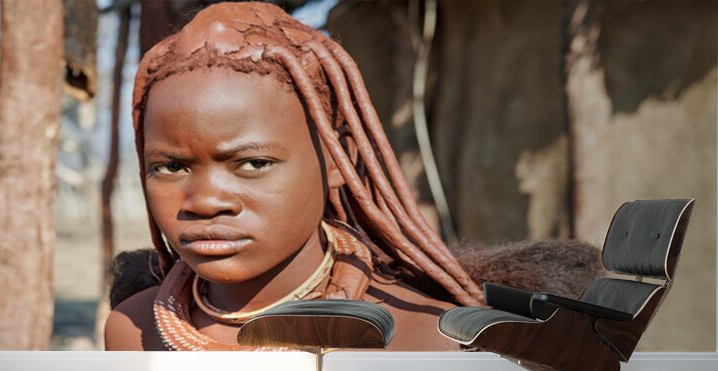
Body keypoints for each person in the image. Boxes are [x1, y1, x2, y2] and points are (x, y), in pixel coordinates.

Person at [104, 2, 600, 351]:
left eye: (252, 163)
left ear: (338, 163)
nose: (206, 200)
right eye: (170, 167)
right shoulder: (132, 329)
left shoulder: (427, 337)